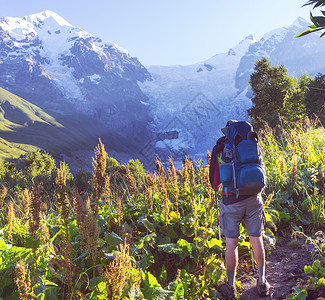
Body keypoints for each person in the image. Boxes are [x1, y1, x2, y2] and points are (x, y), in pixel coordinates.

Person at [209, 120, 270, 299]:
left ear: (228, 132)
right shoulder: (253, 144)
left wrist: (223, 185)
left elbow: (214, 183)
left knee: (231, 243)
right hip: (254, 199)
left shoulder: (221, 147)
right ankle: (262, 282)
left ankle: (230, 286)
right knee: (256, 239)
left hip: (231, 202)